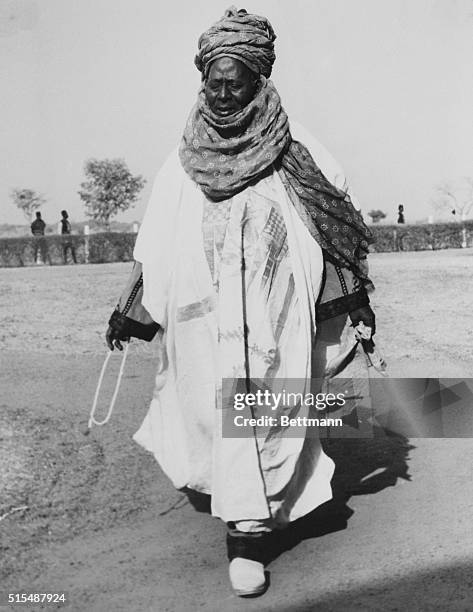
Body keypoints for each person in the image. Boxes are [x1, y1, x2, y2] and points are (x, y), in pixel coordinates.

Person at [106, 7, 376, 597]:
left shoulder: (298, 148)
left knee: (274, 409)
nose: (223, 94)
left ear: (261, 80)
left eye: (236, 82)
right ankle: (248, 519)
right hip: (206, 318)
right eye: (213, 82)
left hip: (277, 315)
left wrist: (353, 300)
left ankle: (251, 527)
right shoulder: (182, 159)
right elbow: (154, 242)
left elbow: (336, 230)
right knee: (217, 410)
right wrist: (133, 305)